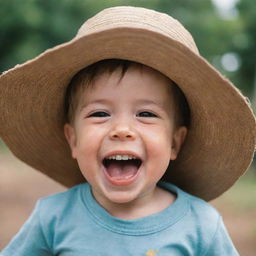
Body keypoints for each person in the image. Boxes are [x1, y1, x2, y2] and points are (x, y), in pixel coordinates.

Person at [0, 6, 255, 256]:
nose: (122, 130)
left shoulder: (202, 225)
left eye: (146, 114)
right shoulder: (53, 217)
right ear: (73, 139)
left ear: (175, 143)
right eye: (99, 114)